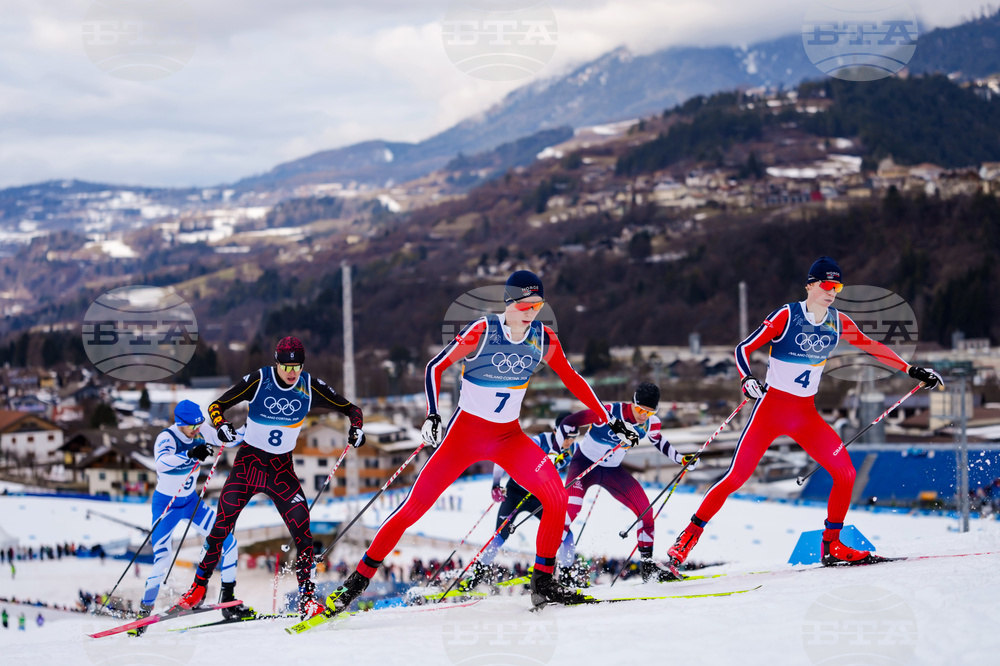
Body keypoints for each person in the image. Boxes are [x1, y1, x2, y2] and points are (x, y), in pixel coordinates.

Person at [324, 270, 639, 613]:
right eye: (524, 304)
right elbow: (434, 367)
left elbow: (573, 380)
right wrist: (432, 415)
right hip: (463, 439)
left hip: (509, 438)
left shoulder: (543, 339)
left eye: (538, 304)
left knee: (555, 497)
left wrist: (610, 420)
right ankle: (353, 585)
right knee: (412, 509)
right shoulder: (483, 331)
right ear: (509, 302)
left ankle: (543, 583)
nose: (531, 310)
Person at [667, 256, 943, 570]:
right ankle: (686, 540)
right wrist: (746, 378)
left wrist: (912, 369)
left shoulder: (838, 322)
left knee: (846, 473)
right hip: (770, 411)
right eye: (826, 284)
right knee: (735, 478)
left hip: (805, 414)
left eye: (837, 286)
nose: (832, 291)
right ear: (810, 285)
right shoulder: (787, 315)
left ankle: (833, 545)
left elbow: (870, 346)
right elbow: (742, 348)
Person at [177, 337, 365, 619]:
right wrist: (222, 426)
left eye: (296, 366)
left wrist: (358, 429)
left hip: (281, 471)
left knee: (303, 530)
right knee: (222, 524)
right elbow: (216, 406)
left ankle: (307, 599)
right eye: (286, 366)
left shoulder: (309, 386)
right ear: (276, 362)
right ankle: (198, 587)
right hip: (248, 464)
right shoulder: (260, 379)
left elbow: (352, 410)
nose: (291, 372)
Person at [559, 382, 696, 583]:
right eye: (640, 409)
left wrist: (681, 459)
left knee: (645, 512)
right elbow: (569, 422)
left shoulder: (650, 422)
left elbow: (659, 441)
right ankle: (559, 571)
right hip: (584, 466)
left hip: (613, 471)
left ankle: (648, 567)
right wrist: (564, 449)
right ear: (633, 402)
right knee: (569, 511)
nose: (643, 416)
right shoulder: (607, 412)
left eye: (650, 412)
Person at [130, 400, 245, 637]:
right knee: (162, 561)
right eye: (192, 427)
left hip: (191, 502)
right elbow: (161, 465)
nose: (196, 430)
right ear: (180, 424)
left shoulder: (199, 429)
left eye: (199, 425)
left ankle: (228, 597)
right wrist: (190, 453)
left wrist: (243, 428)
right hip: (167, 506)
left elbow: (227, 439)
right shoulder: (167, 438)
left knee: (229, 542)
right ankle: (143, 613)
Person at [460, 413, 582, 591]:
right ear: (556, 431)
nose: (569, 442)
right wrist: (495, 484)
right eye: (567, 437)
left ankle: (566, 575)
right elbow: (503, 458)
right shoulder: (538, 442)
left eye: (574, 437)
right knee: (500, 535)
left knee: (566, 534)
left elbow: (590, 454)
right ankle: (478, 573)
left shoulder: (573, 449)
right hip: (516, 493)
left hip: (540, 497)